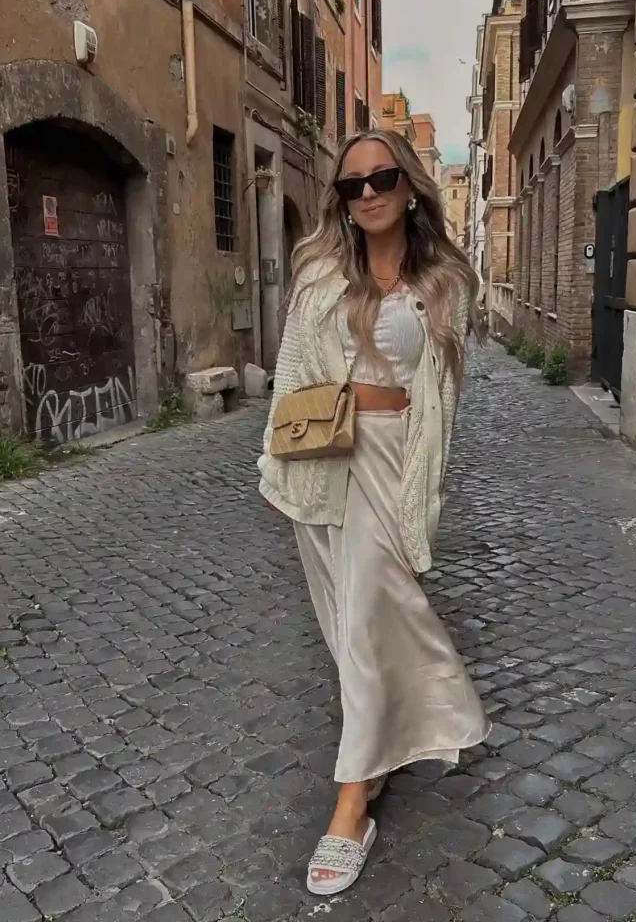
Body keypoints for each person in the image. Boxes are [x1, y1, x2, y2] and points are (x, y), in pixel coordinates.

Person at [257, 129, 491, 896]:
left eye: (381, 177)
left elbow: (442, 401)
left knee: (370, 613)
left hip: (394, 455)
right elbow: (292, 373)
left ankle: (352, 799)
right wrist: (277, 461)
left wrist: (426, 484)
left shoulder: (445, 280)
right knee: (347, 620)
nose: (366, 194)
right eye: (351, 186)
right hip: (327, 456)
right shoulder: (319, 271)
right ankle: (380, 755)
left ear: (409, 183)